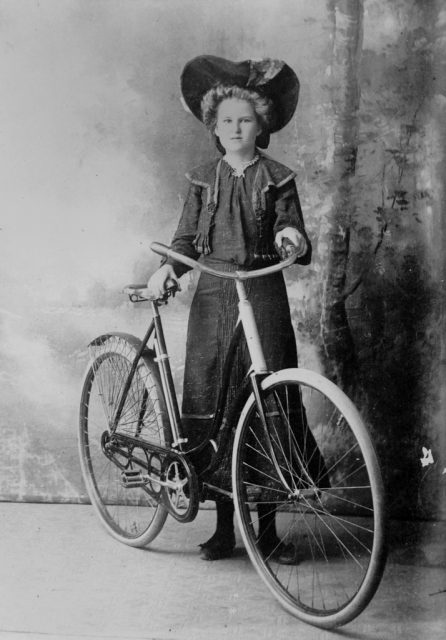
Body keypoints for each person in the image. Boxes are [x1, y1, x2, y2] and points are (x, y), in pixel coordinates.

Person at [147, 55, 311, 562]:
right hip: (215, 297)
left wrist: (289, 234)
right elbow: (185, 242)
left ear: (261, 124)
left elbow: (292, 226)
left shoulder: (277, 178)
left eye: (245, 119)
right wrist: (167, 271)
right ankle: (223, 530)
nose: (236, 128)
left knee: (267, 400)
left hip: (262, 293)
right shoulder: (202, 180)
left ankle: (267, 532)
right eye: (226, 121)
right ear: (214, 129)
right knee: (213, 405)